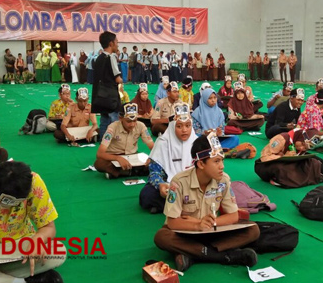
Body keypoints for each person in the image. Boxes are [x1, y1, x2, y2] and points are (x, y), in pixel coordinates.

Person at [153, 134, 260, 272]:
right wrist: (197, 224)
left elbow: (233, 216)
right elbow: (173, 222)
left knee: (253, 230)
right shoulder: (179, 182)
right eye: (216, 161)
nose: (222, 166)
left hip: (213, 231)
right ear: (201, 164)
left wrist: (211, 224)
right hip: (187, 232)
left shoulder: (224, 180)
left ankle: (193, 254)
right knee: (162, 237)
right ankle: (224, 256)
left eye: (222, 160)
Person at [140, 103, 197, 213]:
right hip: (169, 185)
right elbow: (154, 172)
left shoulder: (197, 143)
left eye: (188, 126)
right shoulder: (163, 143)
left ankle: (170, 205)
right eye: (179, 126)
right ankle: (187, 205)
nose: (184, 130)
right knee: (147, 194)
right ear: (172, 126)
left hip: (193, 186)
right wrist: (161, 184)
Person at [95, 103, 155, 179]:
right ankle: (136, 172)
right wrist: (118, 158)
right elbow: (100, 153)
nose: (132, 124)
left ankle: (121, 173)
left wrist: (152, 158)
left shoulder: (141, 126)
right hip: (114, 157)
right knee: (99, 163)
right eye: (128, 121)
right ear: (120, 118)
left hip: (133, 157)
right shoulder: (112, 127)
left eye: (135, 120)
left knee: (156, 161)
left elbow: (152, 146)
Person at [91, 32, 123, 142]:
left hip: (99, 96)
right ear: (111, 43)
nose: (117, 44)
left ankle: (103, 144)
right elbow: (117, 78)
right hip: (110, 96)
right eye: (116, 42)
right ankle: (114, 145)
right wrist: (121, 81)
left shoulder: (98, 58)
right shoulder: (111, 57)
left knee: (104, 120)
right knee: (114, 120)